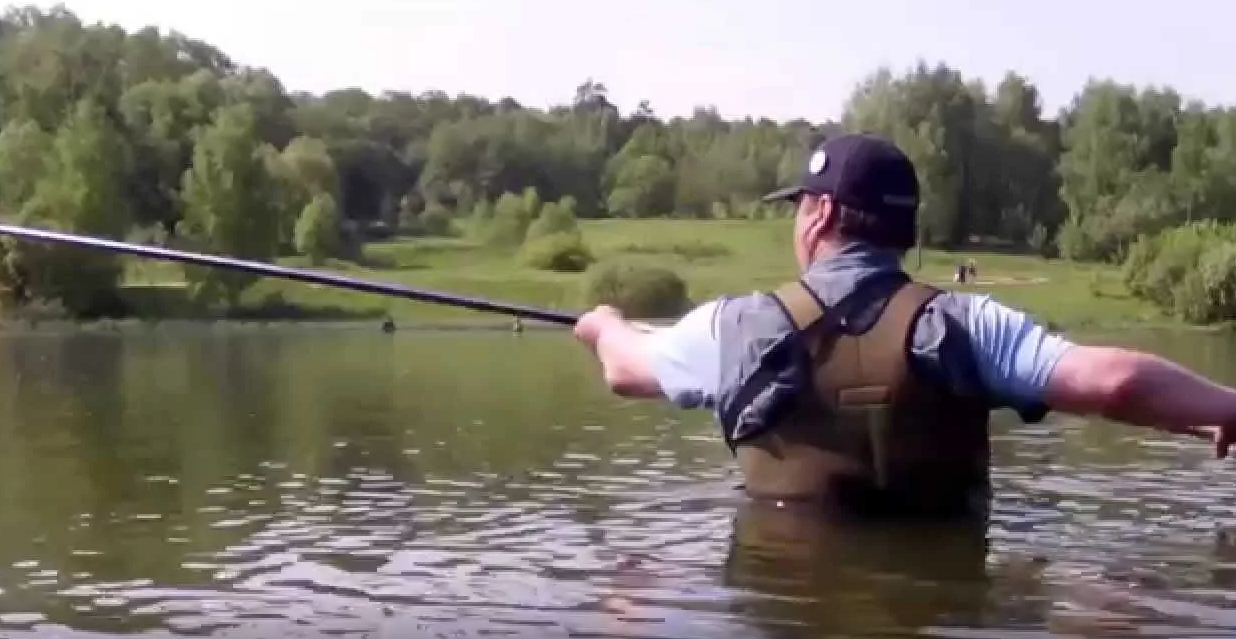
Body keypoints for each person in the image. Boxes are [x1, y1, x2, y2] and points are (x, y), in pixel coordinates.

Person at [572, 132, 1236, 518]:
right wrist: (1221, 407)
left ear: (823, 213)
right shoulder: (965, 323)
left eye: (799, 206)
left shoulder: (731, 327)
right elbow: (1115, 383)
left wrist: (604, 324)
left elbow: (626, 368)